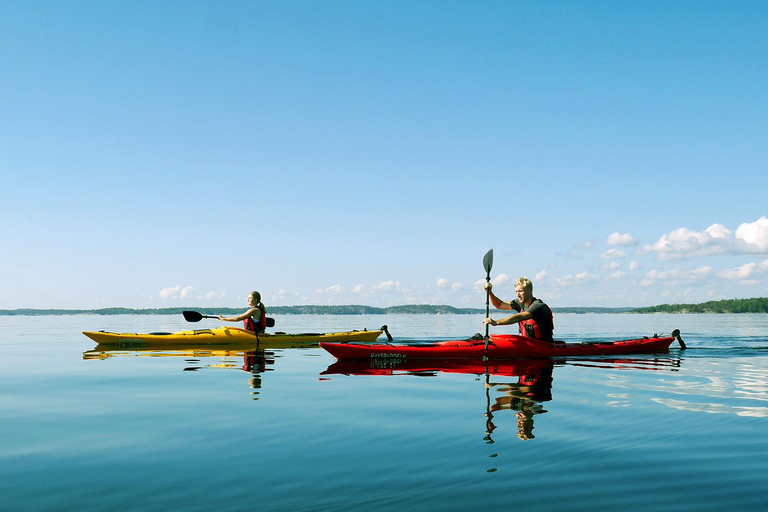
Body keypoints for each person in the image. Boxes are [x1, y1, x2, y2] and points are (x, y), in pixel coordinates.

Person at [483, 277, 556, 342]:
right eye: (516, 292)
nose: (518, 295)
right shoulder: (520, 303)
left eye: (521, 291)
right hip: (527, 343)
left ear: (530, 291)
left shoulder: (538, 306)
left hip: (543, 345)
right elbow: (499, 304)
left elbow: (519, 317)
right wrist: (489, 292)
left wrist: (496, 322)